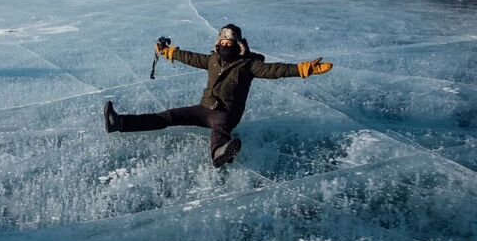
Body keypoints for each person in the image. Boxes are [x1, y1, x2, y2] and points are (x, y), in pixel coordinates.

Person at [103, 24, 333, 168]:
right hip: (204, 108)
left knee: (220, 128)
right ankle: (120, 123)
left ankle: (219, 153)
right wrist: (168, 52)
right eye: (222, 42)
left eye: (229, 43)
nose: (225, 46)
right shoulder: (213, 60)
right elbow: (191, 57)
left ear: (239, 45)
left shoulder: (249, 65)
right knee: (168, 116)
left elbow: (276, 70)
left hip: (225, 113)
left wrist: (304, 69)